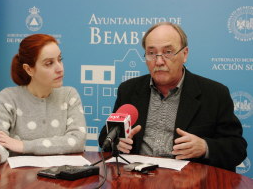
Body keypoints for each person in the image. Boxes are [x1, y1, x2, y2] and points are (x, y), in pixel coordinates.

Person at [99, 22, 247, 172]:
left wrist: (205, 147)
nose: (159, 61)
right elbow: (106, 137)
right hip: (137, 178)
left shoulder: (215, 94)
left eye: (168, 52)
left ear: (185, 54)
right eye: (151, 53)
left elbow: (237, 148)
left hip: (188, 181)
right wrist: (117, 143)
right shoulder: (129, 90)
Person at [0, 34, 86, 171]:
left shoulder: (70, 95)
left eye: (60, 59)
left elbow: (77, 141)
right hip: (17, 180)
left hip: (62, 181)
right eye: (49, 63)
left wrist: (23, 145)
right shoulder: (7, 98)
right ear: (29, 69)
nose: (60, 68)